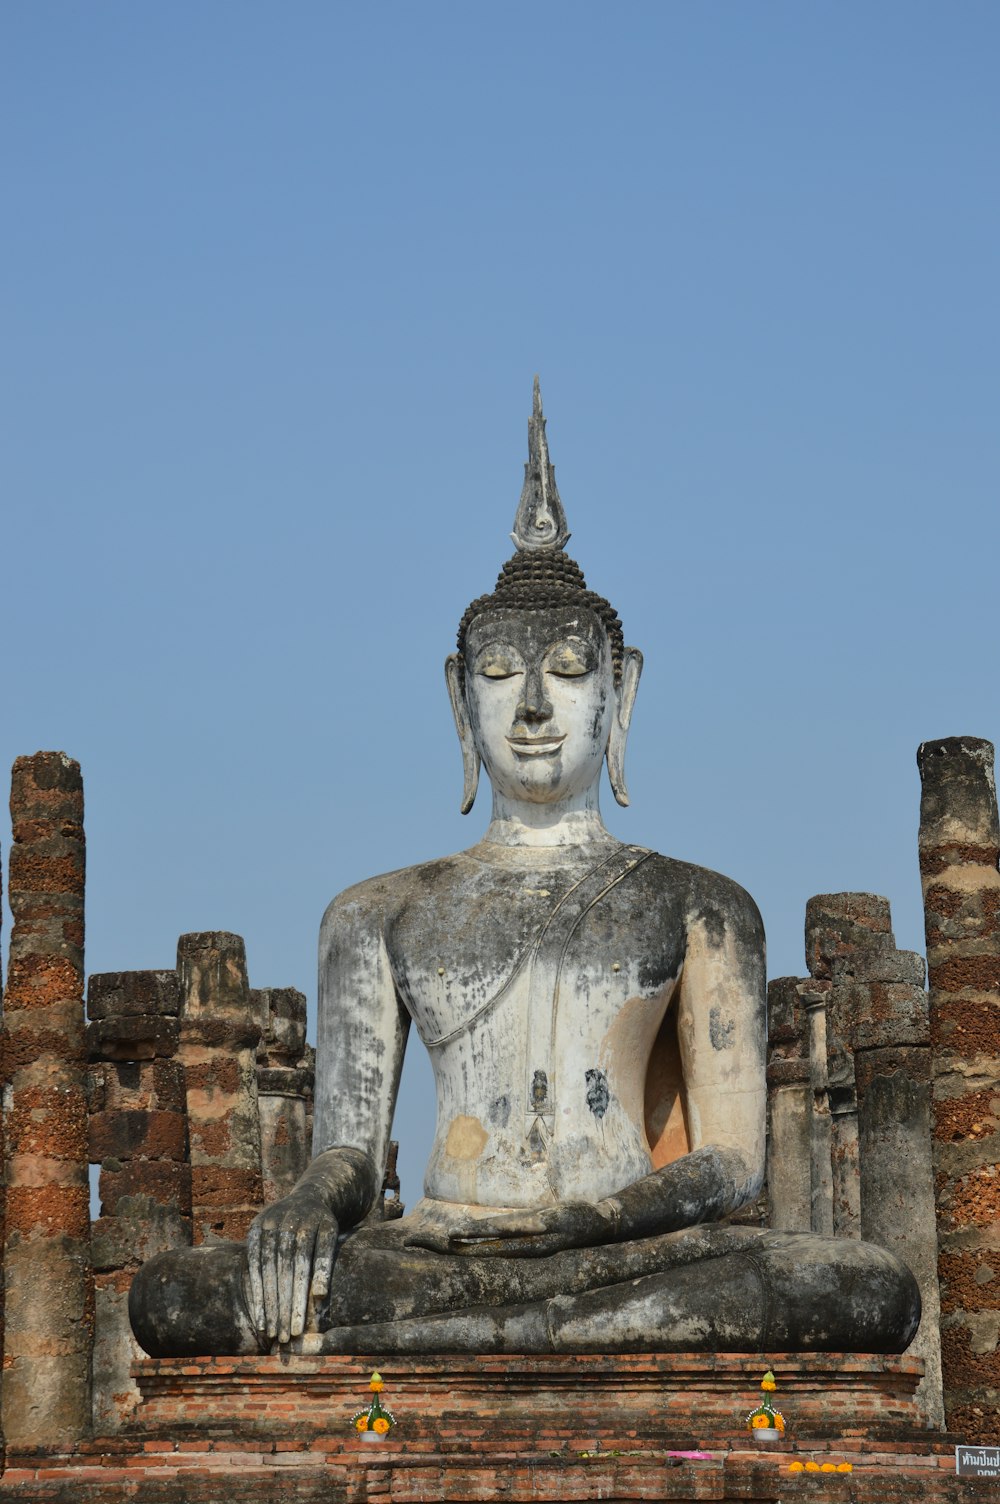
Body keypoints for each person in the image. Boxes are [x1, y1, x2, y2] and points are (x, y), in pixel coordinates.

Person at [130, 382, 919, 1358]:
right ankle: (511, 1324)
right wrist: (301, 1205)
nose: (535, 708)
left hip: (631, 1246)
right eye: (500, 676)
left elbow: (728, 1162)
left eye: (569, 673)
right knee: (176, 1296)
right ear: (459, 704)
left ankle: (494, 1329)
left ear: (620, 695)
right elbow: (348, 1149)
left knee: (858, 1285)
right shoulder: (376, 913)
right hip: (442, 1244)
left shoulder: (701, 907)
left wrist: (592, 1223)